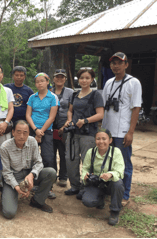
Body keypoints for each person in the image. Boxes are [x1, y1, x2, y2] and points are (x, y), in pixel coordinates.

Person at [102, 52, 142, 206]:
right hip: (108, 131)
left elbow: (136, 108)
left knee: (124, 163)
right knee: (108, 162)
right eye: (113, 63)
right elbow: (104, 107)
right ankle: (110, 189)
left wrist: (130, 132)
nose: (116, 66)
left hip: (122, 132)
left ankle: (124, 194)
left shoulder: (134, 83)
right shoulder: (109, 83)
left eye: (119, 63)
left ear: (126, 64)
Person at [0, 120, 57, 219]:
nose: (22, 136)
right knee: (9, 213)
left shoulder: (32, 141)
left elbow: (39, 162)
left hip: (29, 172)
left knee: (51, 173)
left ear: (29, 133)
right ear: (13, 132)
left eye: (25, 132)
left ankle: (37, 201)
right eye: (18, 132)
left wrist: (32, 175)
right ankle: (8, 194)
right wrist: (17, 187)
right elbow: (6, 172)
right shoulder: (5, 147)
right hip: (13, 176)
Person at [63, 67, 104, 196]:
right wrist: (69, 120)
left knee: (87, 161)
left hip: (88, 134)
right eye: (81, 78)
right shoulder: (74, 94)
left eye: (87, 78)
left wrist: (85, 121)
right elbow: (70, 110)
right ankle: (75, 185)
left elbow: (100, 114)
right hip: (73, 133)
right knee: (70, 160)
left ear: (92, 79)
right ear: (78, 79)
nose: (84, 80)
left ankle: (85, 187)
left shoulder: (96, 95)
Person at [81, 128, 125, 226]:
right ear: (95, 140)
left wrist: (110, 174)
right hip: (96, 183)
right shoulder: (90, 152)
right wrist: (85, 176)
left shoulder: (116, 152)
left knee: (118, 182)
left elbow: (120, 171)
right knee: (87, 201)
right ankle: (100, 200)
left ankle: (114, 211)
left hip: (110, 183)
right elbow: (85, 168)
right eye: (98, 139)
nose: (101, 142)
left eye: (104, 139)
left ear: (110, 140)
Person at [26, 72, 59, 198]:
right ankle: (32, 182)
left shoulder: (53, 97)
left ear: (47, 82)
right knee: (31, 157)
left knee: (48, 157)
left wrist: (41, 132)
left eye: (42, 81)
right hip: (32, 130)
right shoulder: (32, 97)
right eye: (37, 81)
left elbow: (52, 117)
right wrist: (35, 129)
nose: (39, 83)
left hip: (47, 132)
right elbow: (28, 115)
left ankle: (48, 187)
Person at [51, 69, 74, 188]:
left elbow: (72, 110)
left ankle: (63, 177)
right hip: (51, 126)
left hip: (64, 126)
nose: (59, 79)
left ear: (65, 79)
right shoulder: (49, 91)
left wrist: (66, 125)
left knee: (63, 152)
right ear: (53, 79)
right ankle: (53, 175)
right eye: (57, 77)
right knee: (51, 152)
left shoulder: (70, 92)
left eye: (62, 77)